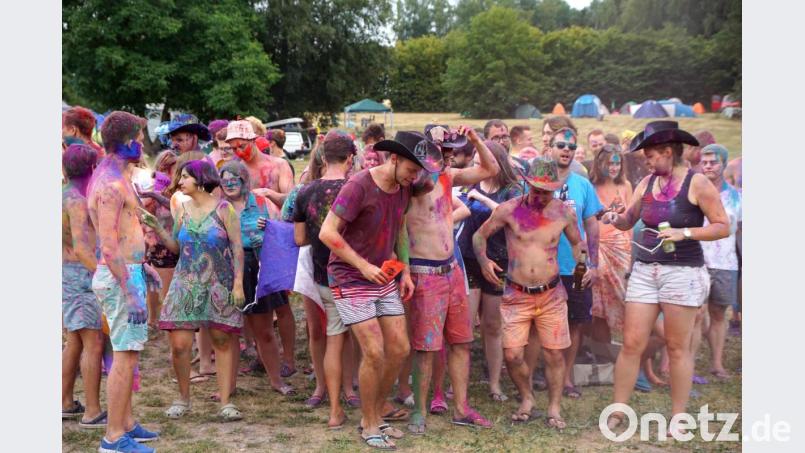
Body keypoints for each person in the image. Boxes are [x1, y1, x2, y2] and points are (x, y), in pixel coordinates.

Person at [601, 120, 729, 432]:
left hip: (682, 273)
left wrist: (685, 232)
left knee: (676, 347)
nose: (646, 161)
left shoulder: (697, 183)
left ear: (668, 152)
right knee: (631, 342)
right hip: (645, 270)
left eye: (650, 156)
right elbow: (629, 220)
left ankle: (678, 417)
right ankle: (618, 411)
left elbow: (722, 226)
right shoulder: (646, 183)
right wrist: (614, 217)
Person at [318, 132, 429, 450]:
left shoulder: (403, 188)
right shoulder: (358, 186)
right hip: (349, 277)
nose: (414, 177)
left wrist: (404, 270)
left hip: (382, 277)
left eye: (418, 171)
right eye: (411, 169)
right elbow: (327, 232)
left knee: (400, 349)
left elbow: (401, 228)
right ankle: (368, 423)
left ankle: (377, 413)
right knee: (374, 351)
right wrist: (363, 265)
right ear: (394, 158)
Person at [473, 158, 586, 430]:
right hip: (516, 294)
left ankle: (554, 407)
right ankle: (527, 398)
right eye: (537, 190)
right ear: (527, 184)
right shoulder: (509, 210)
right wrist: (484, 261)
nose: (542, 196)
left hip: (552, 294)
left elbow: (577, 243)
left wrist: (584, 264)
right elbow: (479, 236)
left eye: (547, 192)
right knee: (512, 355)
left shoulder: (563, 212)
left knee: (554, 354)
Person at [404, 126, 498, 435]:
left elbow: (490, 169)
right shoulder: (411, 183)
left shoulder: (449, 176)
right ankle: (419, 411)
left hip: (452, 270)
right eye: (442, 152)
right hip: (424, 272)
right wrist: (403, 269)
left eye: (450, 152)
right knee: (425, 347)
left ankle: (461, 408)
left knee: (461, 342)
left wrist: (476, 140)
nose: (448, 157)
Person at [144, 159, 246, 421]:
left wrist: (237, 284)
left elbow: (237, 248)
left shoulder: (224, 209)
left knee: (222, 341)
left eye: (185, 177)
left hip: (219, 284)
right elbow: (176, 248)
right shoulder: (182, 209)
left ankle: (226, 402)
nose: (180, 182)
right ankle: (183, 399)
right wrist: (158, 228)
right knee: (179, 345)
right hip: (185, 284)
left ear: (201, 180)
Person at [88, 111, 159, 452]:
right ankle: (113, 438)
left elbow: (126, 234)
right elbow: (108, 244)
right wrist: (130, 290)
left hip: (129, 272)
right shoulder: (110, 185)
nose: (143, 144)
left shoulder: (118, 177)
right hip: (119, 279)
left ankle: (127, 423)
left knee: (129, 353)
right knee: (124, 355)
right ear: (127, 142)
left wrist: (142, 267)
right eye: (140, 139)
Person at [293, 134, 361, 428]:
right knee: (358, 337)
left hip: (323, 275)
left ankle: (334, 409)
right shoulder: (356, 188)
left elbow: (299, 239)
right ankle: (358, 394)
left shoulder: (305, 191)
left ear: (322, 157)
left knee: (333, 337)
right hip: (356, 275)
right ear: (350, 159)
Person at [458, 141, 523, 403]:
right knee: (465, 326)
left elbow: (513, 218)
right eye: (474, 163)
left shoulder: (512, 189)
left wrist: (482, 198)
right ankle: (460, 382)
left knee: (493, 325)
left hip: (499, 262)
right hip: (469, 259)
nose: (476, 168)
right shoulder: (469, 185)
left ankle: (495, 383)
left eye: (480, 163)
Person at [540, 127, 602, 400]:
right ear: (549, 149)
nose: (567, 150)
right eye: (561, 145)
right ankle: (543, 373)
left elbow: (592, 226)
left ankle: (565, 378)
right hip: (543, 267)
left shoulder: (583, 185)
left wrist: (594, 264)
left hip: (576, 267)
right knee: (541, 321)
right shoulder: (537, 183)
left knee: (575, 322)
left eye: (572, 147)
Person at [62, 144, 105, 428]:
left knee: (75, 340)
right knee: (93, 342)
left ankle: (64, 401)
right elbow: (80, 247)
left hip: (66, 274)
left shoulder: (61, 193)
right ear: (91, 168)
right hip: (81, 275)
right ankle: (92, 411)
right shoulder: (76, 200)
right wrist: (103, 274)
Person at [699, 144, 741, 380]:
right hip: (696, 261)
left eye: (713, 162)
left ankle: (716, 364)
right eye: (704, 162)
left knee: (718, 313)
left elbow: (741, 230)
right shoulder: (693, 193)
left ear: (724, 164)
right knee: (694, 313)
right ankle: (685, 360)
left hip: (726, 262)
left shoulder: (736, 197)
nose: (708, 166)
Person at [589, 144, 633, 343]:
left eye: (617, 163)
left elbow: (630, 220)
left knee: (627, 300)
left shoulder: (625, 186)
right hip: (598, 250)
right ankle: (603, 352)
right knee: (598, 307)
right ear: (600, 164)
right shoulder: (590, 186)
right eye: (609, 163)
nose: (614, 167)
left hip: (621, 251)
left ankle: (633, 346)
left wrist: (632, 253)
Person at [139, 150, 180, 333]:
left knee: (168, 288)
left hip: (179, 243)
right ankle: (158, 322)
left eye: (172, 167)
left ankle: (163, 321)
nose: (169, 172)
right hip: (160, 246)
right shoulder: (154, 188)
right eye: (165, 167)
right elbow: (143, 213)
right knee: (160, 288)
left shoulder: (181, 189)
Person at [225, 120, 294, 211]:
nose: (239, 152)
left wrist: (268, 193)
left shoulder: (280, 165)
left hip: (277, 219)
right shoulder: (235, 172)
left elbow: (292, 201)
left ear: (253, 140)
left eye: (242, 146)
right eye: (234, 149)